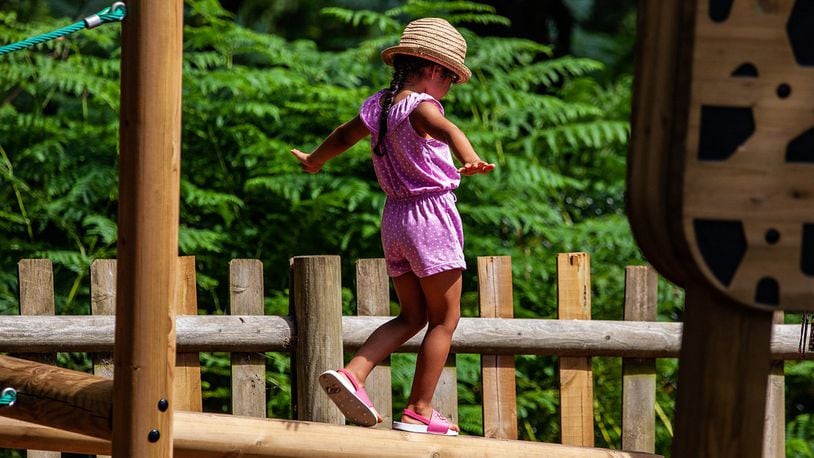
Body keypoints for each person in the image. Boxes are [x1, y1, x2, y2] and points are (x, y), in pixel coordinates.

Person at [290, 17, 494, 436]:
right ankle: (420, 409)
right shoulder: (422, 106)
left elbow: (344, 136)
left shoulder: (379, 105)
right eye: (451, 80)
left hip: (395, 220)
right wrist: (469, 157)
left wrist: (314, 160)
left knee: (412, 314)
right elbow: (450, 129)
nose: (449, 90)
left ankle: (354, 373)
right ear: (435, 70)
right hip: (430, 216)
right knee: (444, 319)